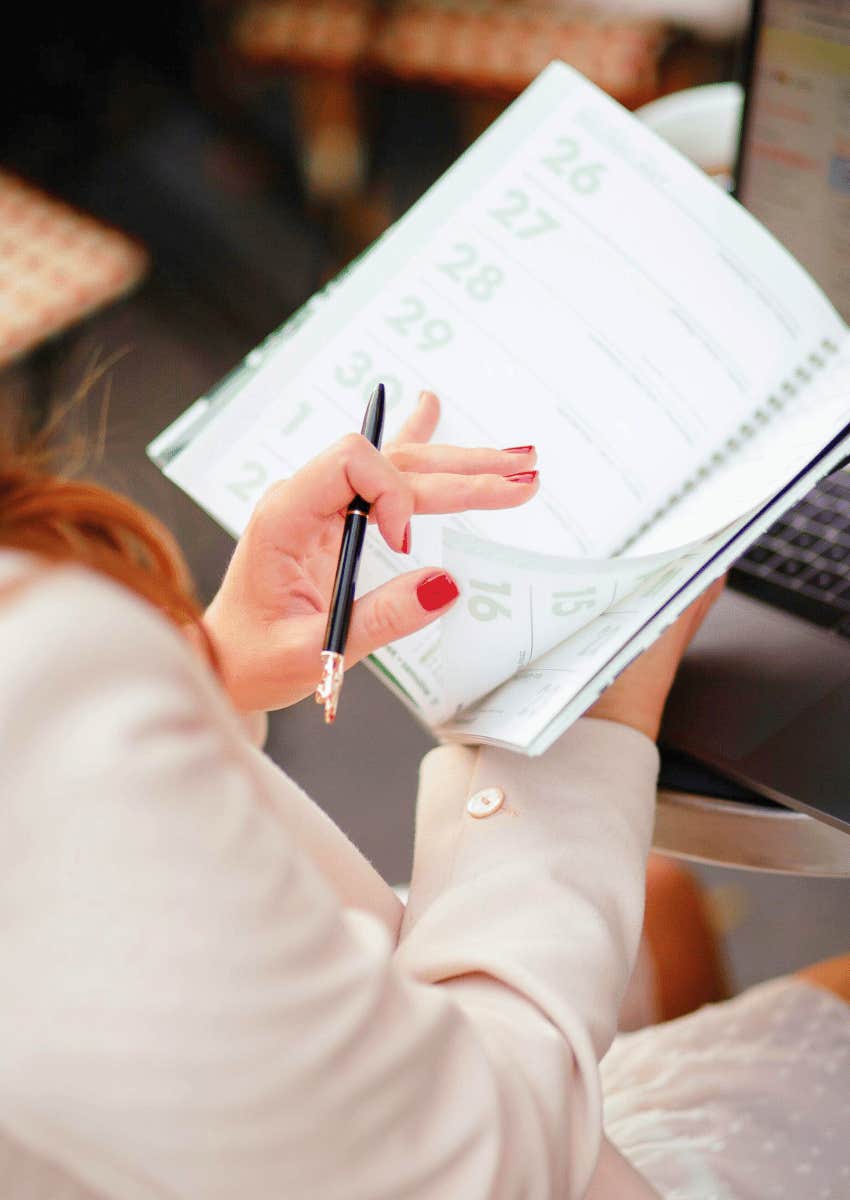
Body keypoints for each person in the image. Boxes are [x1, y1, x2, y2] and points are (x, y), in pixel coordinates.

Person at [0, 390, 846, 1200]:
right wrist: (584, 721)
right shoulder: (39, 663)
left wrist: (212, 669)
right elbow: (484, 1167)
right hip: (478, 1154)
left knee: (658, 902)